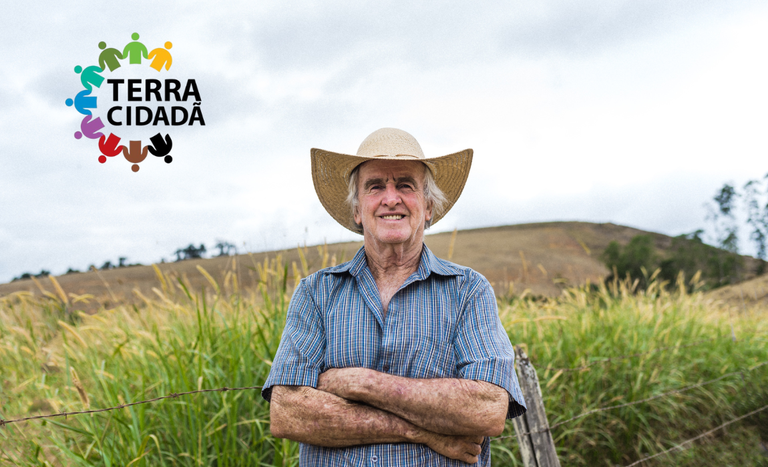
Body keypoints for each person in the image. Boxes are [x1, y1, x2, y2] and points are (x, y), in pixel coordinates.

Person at [262, 128, 527, 466]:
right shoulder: (316, 293)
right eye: (375, 186)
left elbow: (487, 410)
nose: (391, 198)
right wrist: (425, 431)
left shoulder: (468, 290)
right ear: (357, 211)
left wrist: (362, 383)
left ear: (428, 207)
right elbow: (288, 413)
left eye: (405, 184)